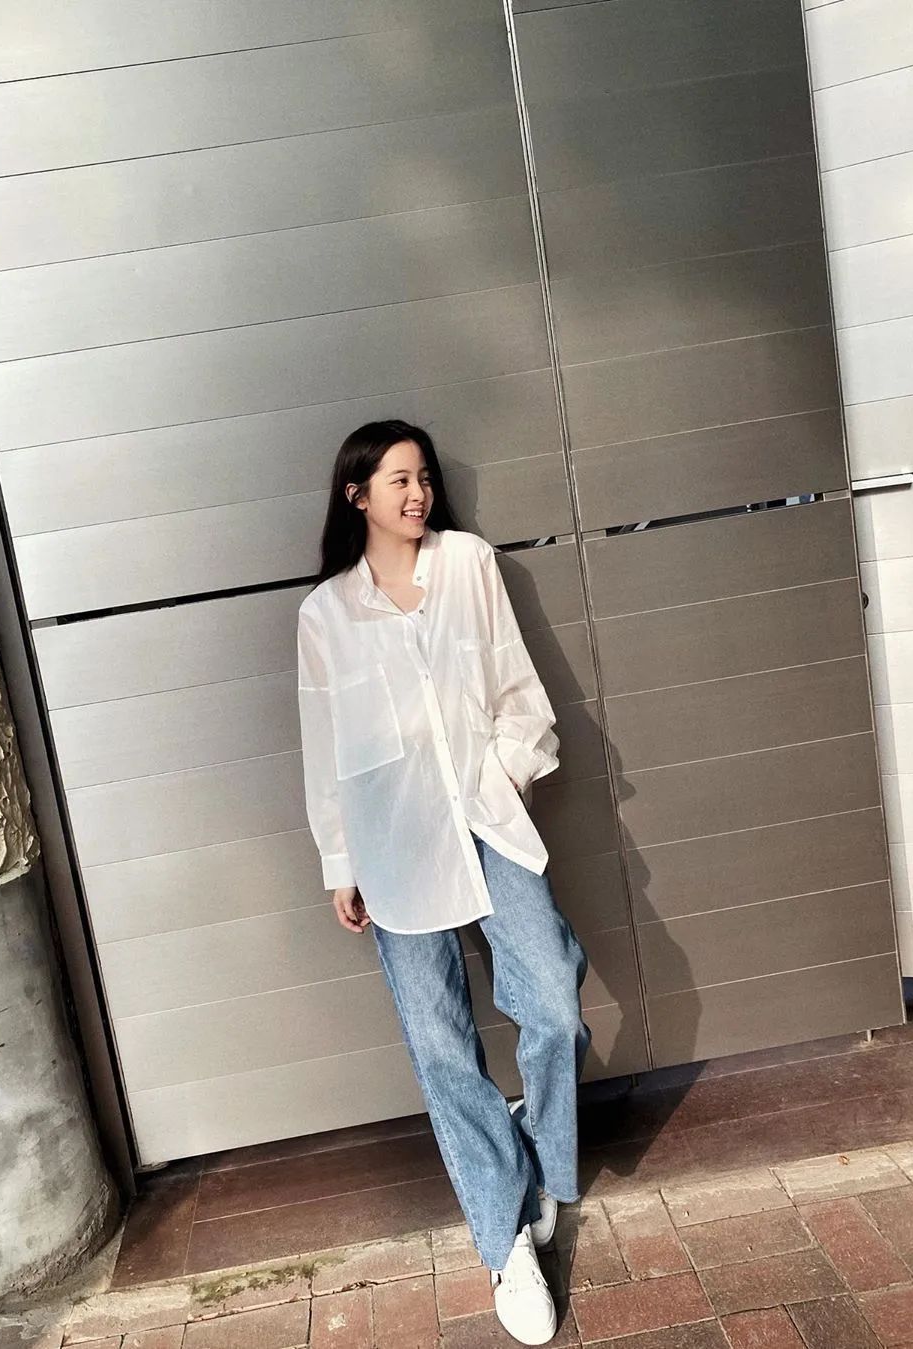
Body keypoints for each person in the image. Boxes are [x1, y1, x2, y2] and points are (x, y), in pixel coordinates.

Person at [296, 419, 591, 1346]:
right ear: (358, 496)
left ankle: (538, 1164)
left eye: (423, 476)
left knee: (553, 1001)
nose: (417, 492)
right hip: (393, 844)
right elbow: (326, 752)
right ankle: (505, 1244)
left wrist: (501, 775)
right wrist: (340, 862)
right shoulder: (325, 615)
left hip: (486, 817)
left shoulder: (468, 563)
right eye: (397, 480)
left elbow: (519, 691)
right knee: (441, 1048)